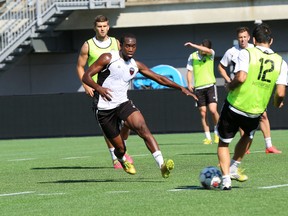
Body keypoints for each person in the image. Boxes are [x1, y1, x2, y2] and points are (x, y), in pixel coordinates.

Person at [82, 33, 198, 177]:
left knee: (143, 128)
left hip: (122, 103)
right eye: (127, 46)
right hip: (104, 108)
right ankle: (121, 158)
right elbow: (86, 76)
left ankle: (162, 165)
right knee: (120, 148)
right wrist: (99, 88)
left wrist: (181, 88)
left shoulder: (135, 65)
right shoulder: (108, 58)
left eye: (133, 46)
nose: (130, 49)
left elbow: (159, 78)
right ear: (121, 46)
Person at [217, 23, 287, 190]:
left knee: (223, 143)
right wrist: (277, 102)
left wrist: (229, 86)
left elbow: (240, 77)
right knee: (248, 135)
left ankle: (226, 179)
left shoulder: (247, 52)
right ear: (271, 41)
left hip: (235, 105)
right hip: (256, 111)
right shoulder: (281, 62)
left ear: (253, 40)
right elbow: (281, 93)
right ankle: (234, 166)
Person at [76, 15, 133, 169]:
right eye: (99, 26)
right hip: (99, 90)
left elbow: (125, 60)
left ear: (108, 27)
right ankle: (115, 157)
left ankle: (122, 149)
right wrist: (86, 85)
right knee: (108, 125)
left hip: (119, 89)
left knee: (128, 122)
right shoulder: (88, 45)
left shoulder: (116, 43)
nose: (102, 29)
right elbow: (80, 67)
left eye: (105, 26)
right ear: (95, 27)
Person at [218, 26, 282, 154]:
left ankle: (268, 145)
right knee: (241, 115)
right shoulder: (231, 52)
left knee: (263, 115)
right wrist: (228, 80)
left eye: (244, 37)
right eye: (240, 37)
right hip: (239, 88)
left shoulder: (256, 49)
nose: (242, 40)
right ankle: (243, 145)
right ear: (237, 39)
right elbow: (220, 66)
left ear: (250, 38)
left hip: (255, 89)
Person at [185, 39, 220, 145]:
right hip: (199, 88)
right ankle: (208, 137)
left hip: (210, 86)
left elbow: (206, 50)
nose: (203, 52)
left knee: (213, 110)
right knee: (203, 112)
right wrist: (189, 83)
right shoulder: (192, 56)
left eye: (205, 50)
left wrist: (193, 45)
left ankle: (218, 133)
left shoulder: (211, 54)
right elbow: (189, 71)